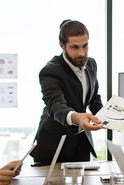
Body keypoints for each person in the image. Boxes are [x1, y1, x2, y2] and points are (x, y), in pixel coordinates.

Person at [31, 19, 104, 164]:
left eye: (85, 46)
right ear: (62, 46)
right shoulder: (50, 71)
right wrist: (78, 118)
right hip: (54, 144)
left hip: (82, 142)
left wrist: (115, 118)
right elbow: (56, 106)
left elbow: (94, 99)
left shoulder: (91, 64)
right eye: (74, 47)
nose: (82, 53)